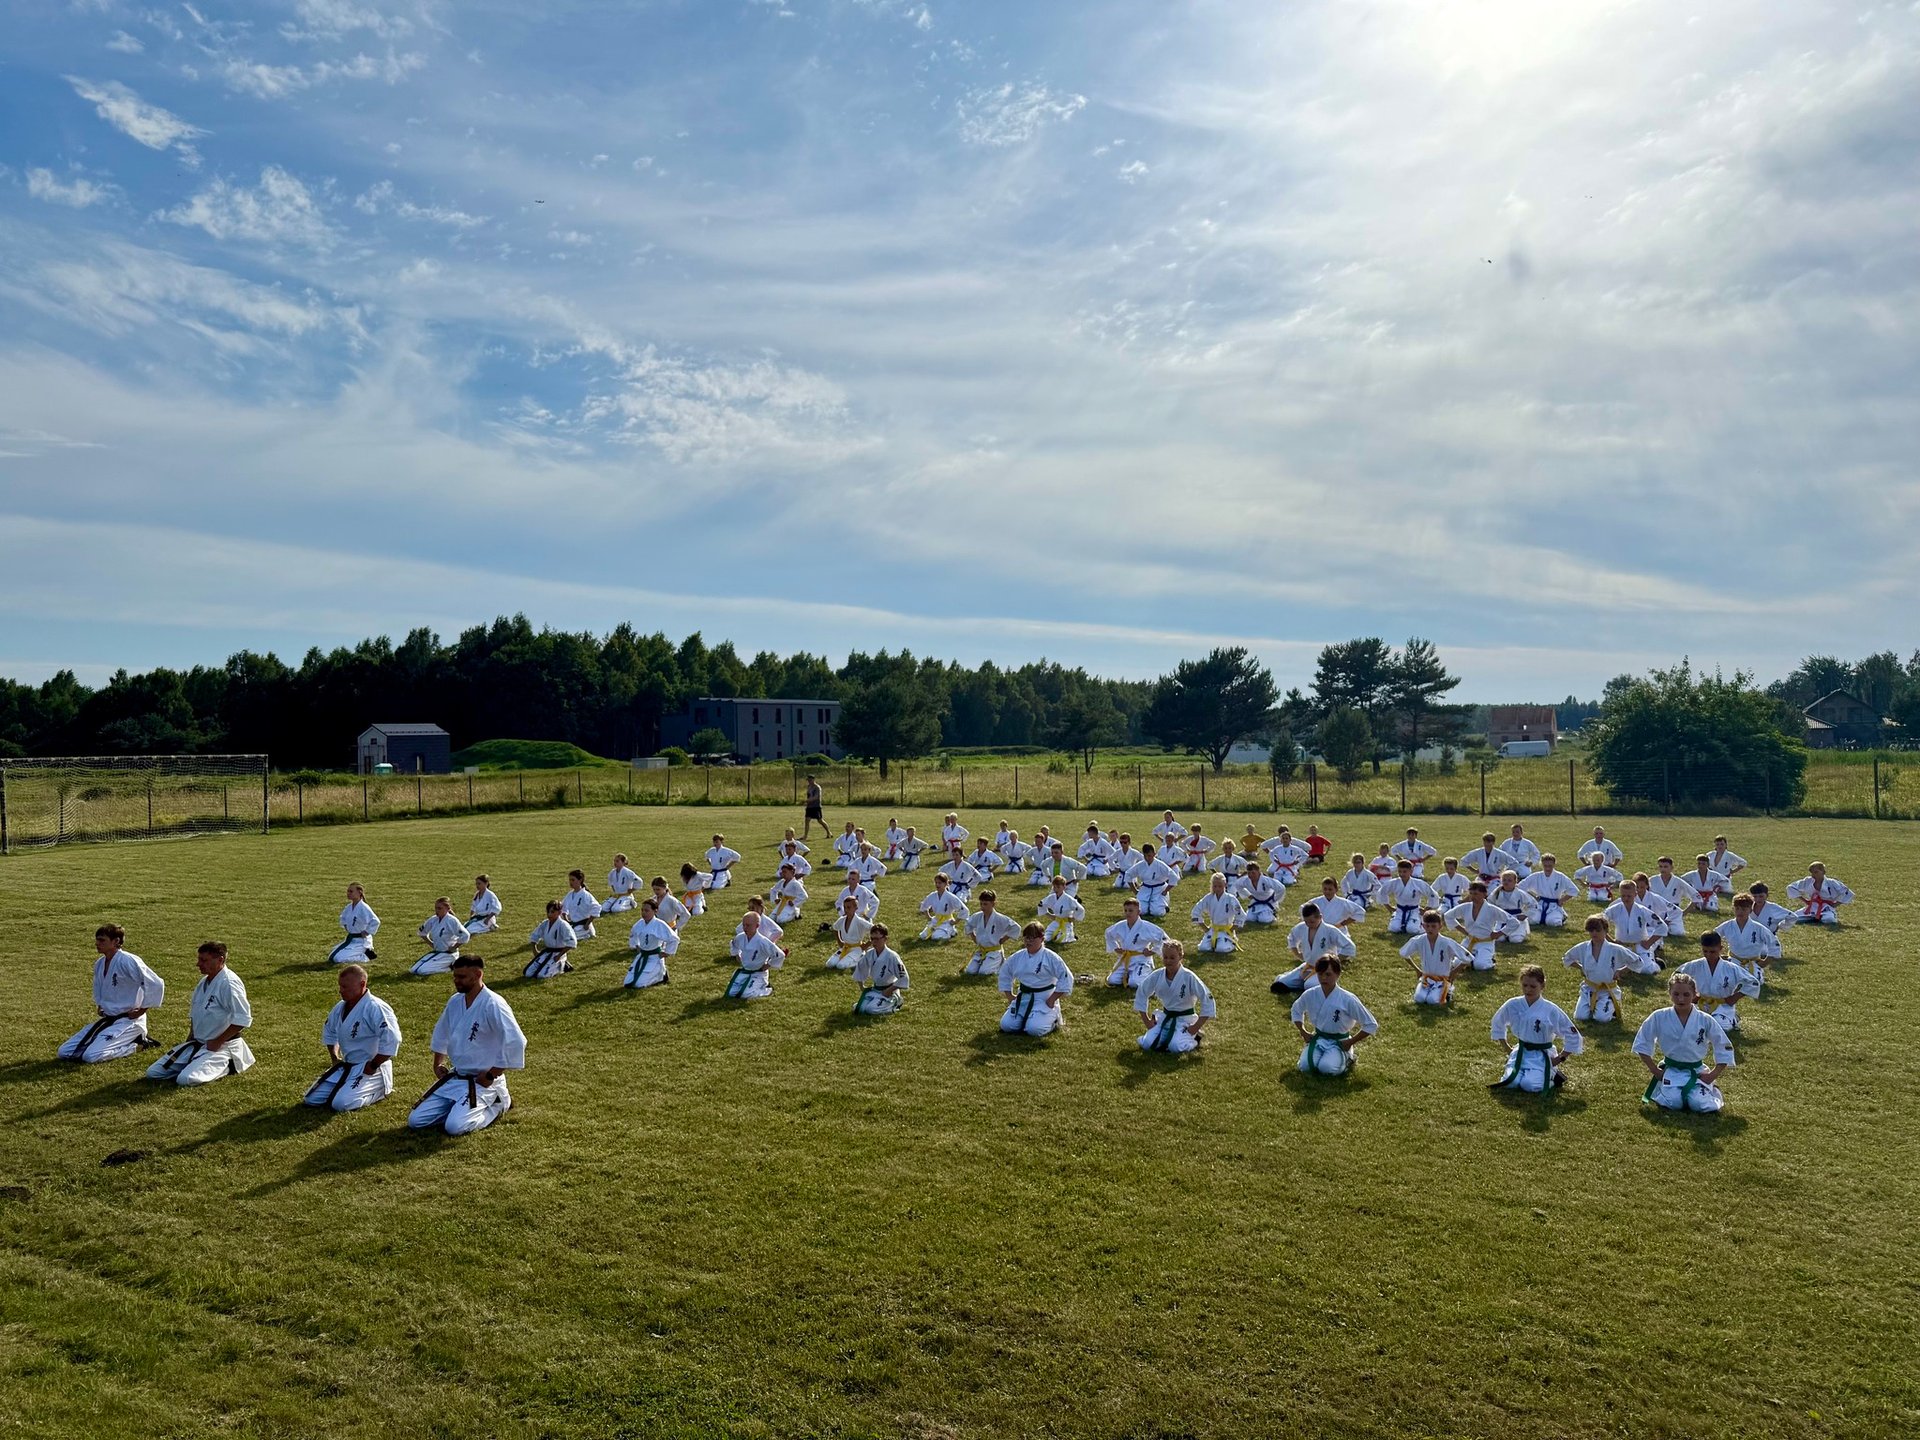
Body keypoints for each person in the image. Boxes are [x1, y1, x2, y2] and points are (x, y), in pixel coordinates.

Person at [409, 954, 526, 1134]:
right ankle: (461, 1109)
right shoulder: (455, 1001)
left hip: (484, 1082)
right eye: (455, 976)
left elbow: (516, 1041)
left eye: (461, 977)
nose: (456, 981)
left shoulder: (493, 1004)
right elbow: (442, 1032)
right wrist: (438, 1063)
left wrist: (491, 1075)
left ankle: (499, 1103)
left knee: (455, 1127)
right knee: (416, 1121)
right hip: (458, 1077)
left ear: (478, 975)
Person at [145, 941, 254, 1086]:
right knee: (154, 1073)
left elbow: (242, 1018)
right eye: (199, 959)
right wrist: (190, 1037)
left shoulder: (229, 983)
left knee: (186, 1079)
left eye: (204, 960)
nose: (198, 964)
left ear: (220, 960)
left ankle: (230, 1063)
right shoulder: (204, 982)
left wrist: (218, 1041)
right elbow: (196, 1013)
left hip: (222, 1046)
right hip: (199, 1042)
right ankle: (195, 1062)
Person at [302, 963, 402, 1111]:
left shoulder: (376, 1007)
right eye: (340, 986)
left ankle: (381, 1088)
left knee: (341, 1104)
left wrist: (374, 1065)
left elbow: (392, 1039)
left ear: (362, 984)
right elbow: (330, 1031)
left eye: (345, 987)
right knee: (311, 1099)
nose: (340, 991)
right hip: (347, 1065)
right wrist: (335, 1058)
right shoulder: (341, 1007)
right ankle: (349, 1087)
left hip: (370, 1068)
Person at [60, 923, 165, 1063]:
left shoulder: (128, 961)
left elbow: (155, 983)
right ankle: (109, 1042)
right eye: (97, 939)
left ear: (116, 941)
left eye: (102, 940)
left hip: (129, 1022)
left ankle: (138, 1044)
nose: (97, 943)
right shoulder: (100, 963)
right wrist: (101, 1005)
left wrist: (141, 1010)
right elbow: (101, 988)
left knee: (90, 1056)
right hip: (109, 1020)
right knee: (65, 1052)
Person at [1634, 973, 1735, 1112]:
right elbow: (1642, 1042)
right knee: (1673, 1103)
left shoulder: (1705, 1019)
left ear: (1695, 994)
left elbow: (1723, 1045)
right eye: (1676, 994)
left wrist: (1713, 1075)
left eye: (1686, 994)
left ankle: (1710, 1091)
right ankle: (1669, 1090)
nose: (1681, 999)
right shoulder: (1659, 1016)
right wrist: (1656, 1071)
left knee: (1700, 1105)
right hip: (1671, 1070)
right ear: (1669, 993)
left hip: (1696, 1071)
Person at [1487, 965, 1582, 1093]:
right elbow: (1498, 1023)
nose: (1528, 990)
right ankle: (1527, 1072)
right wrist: (1507, 1048)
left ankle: (1553, 1076)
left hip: (1542, 1055)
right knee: (1511, 1083)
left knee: (1530, 1085)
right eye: (1525, 985)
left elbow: (1572, 1034)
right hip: (1521, 1051)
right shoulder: (1513, 1004)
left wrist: (1560, 1058)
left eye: (1533, 986)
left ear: (1542, 986)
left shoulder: (1550, 1010)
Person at [1291, 956, 1378, 1076]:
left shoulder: (1347, 999)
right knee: (1305, 1067)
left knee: (1327, 1069)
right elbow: (1296, 1010)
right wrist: (1303, 1031)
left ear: (1337, 974)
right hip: (1319, 1038)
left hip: (1340, 1042)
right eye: (1320, 974)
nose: (1323, 978)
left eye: (1328, 974)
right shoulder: (1311, 994)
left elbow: (1371, 1024)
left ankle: (1348, 1059)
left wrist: (1350, 1042)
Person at [1135, 941, 1215, 1053]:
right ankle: (1173, 1037)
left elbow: (1207, 999)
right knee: (1147, 1044)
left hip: (1185, 1020)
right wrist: (1147, 1021)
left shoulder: (1188, 976)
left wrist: (1195, 1027)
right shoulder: (1157, 975)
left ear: (1181, 956)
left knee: (1175, 1047)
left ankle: (1196, 1037)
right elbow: (1142, 992)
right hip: (1165, 1018)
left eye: (1172, 957)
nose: (1168, 961)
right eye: (1165, 957)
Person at [997, 923, 1075, 1037]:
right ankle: (1027, 1020)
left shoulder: (1051, 957)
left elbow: (1066, 978)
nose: (1029, 941)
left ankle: (1054, 1019)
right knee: (1007, 1026)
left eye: (1033, 938)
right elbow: (1005, 973)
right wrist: (1010, 996)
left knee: (1034, 1030)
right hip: (1023, 996)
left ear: (1042, 939)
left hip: (1044, 998)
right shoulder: (1018, 956)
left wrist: (1052, 1000)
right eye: (1027, 937)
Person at [1561, 916, 1643, 1023]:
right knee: (1580, 1017)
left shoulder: (1615, 949)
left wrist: (1621, 971)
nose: (1594, 933)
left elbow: (1638, 961)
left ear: (1605, 931)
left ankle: (1612, 1005)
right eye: (1591, 930)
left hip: (1607, 990)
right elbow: (1566, 958)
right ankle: (1594, 1006)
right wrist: (1581, 967)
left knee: (1601, 1018)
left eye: (1598, 930)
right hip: (1589, 989)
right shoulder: (1583, 947)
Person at [1677, 931, 1761, 1031]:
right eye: (1705, 951)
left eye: (1712, 952)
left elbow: (1753, 983)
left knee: (1720, 1027)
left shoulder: (1731, 968)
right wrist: (1691, 994)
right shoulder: (1695, 965)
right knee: (1684, 1025)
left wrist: (1736, 997)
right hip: (1700, 1004)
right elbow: (1677, 977)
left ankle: (1733, 1018)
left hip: (1723, 1006)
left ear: (1720, 949)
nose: (1708, 955)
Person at [1271, 902, 1358, 993]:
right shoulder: (1302, 927)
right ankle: (1301, 981)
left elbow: (1350, 947)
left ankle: (1314, 983)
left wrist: (1333, 961)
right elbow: (1292, 938)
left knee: (1309, 985)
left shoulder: (1330, 930)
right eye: (1306, 921)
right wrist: (1298, 954)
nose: (1309, 924)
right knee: (1282, 982)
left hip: (1324, 969)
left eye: (1312, 922)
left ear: (1320, 917)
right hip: (1308, 965)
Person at [1445, 882, 1524, 970]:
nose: (1472, 896)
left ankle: (1488, 960)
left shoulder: (1491, 909)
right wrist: (1462, 929)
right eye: (1471, 893)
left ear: (1484, 894)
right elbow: (1448, 916)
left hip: (1485, 942)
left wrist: (1499, 933)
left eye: (1476, 894)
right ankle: (1472, 960)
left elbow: (1514, 922)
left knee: (1480, 965)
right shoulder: (1465, 907)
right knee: (1456, 964)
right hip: (1469, 940)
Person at [1401, 910, 1471, 1005]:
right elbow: (1403, 953)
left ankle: (1448, 991)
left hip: (1442, 979)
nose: (1430, 929)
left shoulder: (1447, 942)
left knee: (1432, 1001)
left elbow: (1468, 958)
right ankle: (1431, 991)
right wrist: (1417, 970)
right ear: (1423, 926)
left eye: (1433, 926)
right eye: (1427, 926)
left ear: (1440, 926)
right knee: (1419, 999)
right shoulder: (1419, 940)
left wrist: (1454, 972)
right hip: (1426, 978)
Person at [1714, 893, 1783, 984]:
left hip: (1752, 962)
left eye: (1744, 909)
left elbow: (1774, 944)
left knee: (1754, 982)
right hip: (1734, 960)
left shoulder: (1758, 928)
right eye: (1737, 908)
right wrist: (1717, 956)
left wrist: (1765, 962)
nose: (1740, 912)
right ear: (1733, 909)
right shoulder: (1728, 926)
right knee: (1727, 981)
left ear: (1750, 910)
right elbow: (1712, 938)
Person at [1105, 898, 1169, 988]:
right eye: (1125, 910)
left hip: (1141, 960)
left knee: (1134, 983)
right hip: (1125, 958)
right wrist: (1115, 948)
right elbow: (1108, 934)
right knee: (1112, 980)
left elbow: (1164, 939)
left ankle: (1147, 973)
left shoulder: (1146, 927)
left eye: (1131, 911)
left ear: (1138, 912)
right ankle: (1130, 975)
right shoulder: (1121, 925)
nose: (1127, 913)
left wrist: (1153, 951)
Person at [1603, 886, 1667, 973]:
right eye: (1623, 896)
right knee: (1610, 968)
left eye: (1629, 896)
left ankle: (1656, 963)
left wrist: (1649, 942)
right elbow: (1599, 923)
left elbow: (1662, 926)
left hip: (1640, 946)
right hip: (1621, 946)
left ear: (1635, 894)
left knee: (1646, 970)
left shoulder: (1642, 910)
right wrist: (1611, 941)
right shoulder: (1613, 909)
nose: (1626, 898)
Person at [725, 911, 786, 999]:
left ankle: (767, 989)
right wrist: (737, 956)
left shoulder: (763, 942)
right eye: (744, 925)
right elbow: (733, 944)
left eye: (748, 925)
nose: (745, 928)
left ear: (757, 926)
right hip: (745, 971)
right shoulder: (740, 937)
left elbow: (779, 955)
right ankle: (753, 986)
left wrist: (767, 965)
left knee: (746, 994)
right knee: (732, 993)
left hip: (759, 974)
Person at [852, 923, 910, 1015]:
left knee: (871, 1009)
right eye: (872, 939)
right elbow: (860, 967)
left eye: (877, 939)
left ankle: (895, 1003)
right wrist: (862, 987)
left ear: (885, 939)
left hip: (889, 992)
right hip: (876, 990)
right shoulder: (870, 954)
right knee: (858, 1008)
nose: (874, 942)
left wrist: (889, 990)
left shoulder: (892, 957)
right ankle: (879, 1002)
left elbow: (904, 978)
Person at [624, 897, 680, 987]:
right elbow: (633, 934)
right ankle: (657, 973)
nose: (643, 913)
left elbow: (674, 939)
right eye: (642, 910)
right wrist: (636, 946)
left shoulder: (659, 924)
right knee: (627, 983)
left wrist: (667, 952)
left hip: (655, 957)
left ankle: (661, 974)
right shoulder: (640, 923)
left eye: (647, 911)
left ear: (655, 911)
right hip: (642, 956)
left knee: (640, 984)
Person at [964, 890, 1022, 975]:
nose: (982, 907)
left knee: (984, 972)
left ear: (993, 904)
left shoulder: (1000, 918)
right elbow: (968, 924)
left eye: (985, 904)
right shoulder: (977, 916)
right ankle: (984, 963)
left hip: (994, 952)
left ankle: (1000, 965)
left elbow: (1016, 927)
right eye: (981, 904)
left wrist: (1004, 939)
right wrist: (973, 936)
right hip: (981, 950)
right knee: (970, 971)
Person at [411, 897, 472, 976]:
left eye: (439, 908)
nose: (437, 911)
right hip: (437, 952)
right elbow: (422, 932)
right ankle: (449, 966)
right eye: (436, 908)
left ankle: (451, 966)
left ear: (447, 908)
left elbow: (465, 935)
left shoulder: (451, 920)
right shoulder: (433, 919)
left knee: (422, 971)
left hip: (448, 954)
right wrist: (431, 943)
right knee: (413, 970)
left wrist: (454, 947)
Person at [1517, 854, 1579, 930]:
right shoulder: (1536, 876)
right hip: (1539, 904)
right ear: (1542, 864)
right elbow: (1520, 886)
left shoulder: (1560, 876)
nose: (1547, 868)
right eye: (1545, 865)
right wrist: (1533, 896)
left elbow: (1574, 890)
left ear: (1554, 864)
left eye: (1550, 866)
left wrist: (1562, 900)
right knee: (1533, 920)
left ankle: (1561, 915)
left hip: (1554, 905)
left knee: (1553, 922)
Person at [1190, 873, 1244, 954]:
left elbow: (1241, 915)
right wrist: (1205, 928)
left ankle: (1232, 943)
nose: (1217, 889)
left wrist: (1232, 929)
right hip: (1213, 929)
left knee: (1221, 949)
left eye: (1220, 886)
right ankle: (1215, 942)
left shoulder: (1231, 898)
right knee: (1203, 948)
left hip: (1226, 929)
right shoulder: (1209, 898)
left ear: (1225, 885)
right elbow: (1196, 911)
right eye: (1215, 886)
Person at [1787, 863, 1854, 925]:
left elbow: (1847, 892)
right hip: (1812, 907)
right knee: (1792, 918)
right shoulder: (1808, 881)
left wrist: (1835, 904)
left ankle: (1817, 918)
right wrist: (1806, 901)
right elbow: (1791, 887)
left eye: (1816, 872)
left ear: (1823, 872)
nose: (1813, 875)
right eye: (1812, 873)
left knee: (1829, 920)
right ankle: (1813, 918)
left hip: (1826, 907)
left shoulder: (1831, 882)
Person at [526, 902, 579, 980]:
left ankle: (562, 966)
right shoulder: (545, 923)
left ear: (559, 912)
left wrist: (559, 956)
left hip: (558, 954)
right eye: (548, 912)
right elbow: (534, 936)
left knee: (542, 975)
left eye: (552, 912)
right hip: (547, 952)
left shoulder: (563, 925)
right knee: (528, 973)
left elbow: (572, 942)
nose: (549, 914)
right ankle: (559, 965)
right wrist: (535, 950)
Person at [330, 883, 380, 965]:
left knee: (338, 959)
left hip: (361, 941)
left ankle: (366, 956)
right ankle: (363, 953)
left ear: (359, 892)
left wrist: (367, 931)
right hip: (351, 939)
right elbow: (343, 917)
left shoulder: (364, 907)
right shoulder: (349, 907)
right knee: (332, 956)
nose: (348, 893)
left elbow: (376, 921)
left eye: (351, 891)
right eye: (347, 891)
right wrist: (346, 925)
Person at [1129, 842, 1180, 918]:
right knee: (1140, 911)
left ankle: (1165, 907)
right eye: (1145, 856)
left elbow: (1173, 877)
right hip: (1145, 888)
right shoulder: (1141, 865)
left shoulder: (1160, 865)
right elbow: (1128, 874)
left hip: (1159, 889)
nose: (1147, 858)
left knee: (1156, 912)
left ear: (1154, 854)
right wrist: (1134, 890)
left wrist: (1166, 890)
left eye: (1149, 855)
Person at [917, 874, 967, 942]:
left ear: (946, 883)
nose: (937, 885)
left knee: (936, 937)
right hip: (936, 920)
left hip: (947, 921)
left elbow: (963, 910)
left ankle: (951, 930)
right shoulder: (933, 895)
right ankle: (945, 931)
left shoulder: (950, 897)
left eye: (940, 883)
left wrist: (955, 922)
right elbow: (924, 905)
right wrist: (929, 917)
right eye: (936, 883)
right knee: (923, 936)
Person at [828, 895, 874, 968]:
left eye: (849, 907)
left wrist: (867, 945)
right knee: (830, 964)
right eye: (845, 907)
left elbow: (875, 930)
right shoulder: (842, 920)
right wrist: (839, 941)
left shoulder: (860, 921)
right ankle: (850, 959)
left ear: (856, 908)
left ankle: (861, 957)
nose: (846, 910)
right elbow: (835, 928)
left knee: (840, 966)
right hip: (845, 947)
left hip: (857, 948)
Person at [1039, 874, 1086, 945]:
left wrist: (1073, 918)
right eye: (1054, 887)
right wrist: (1048, 914)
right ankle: (1056, 935)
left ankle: (1071, 935)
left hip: (1066, 923)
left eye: (1058, 887)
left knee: (1061, 939)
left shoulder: (1069, 899)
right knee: (1045, 938)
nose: (1056, 889)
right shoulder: (1051, 897)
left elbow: (1080, 909)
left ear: (1064, 887)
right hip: (1056, 921)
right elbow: (1041, 904)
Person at [1487, 870, 1533, 942]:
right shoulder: (1497, 892)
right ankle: (1503, 934)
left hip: (1517, 919)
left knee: (1515, 939)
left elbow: (1533, 905)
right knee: (1499, 939)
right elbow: (1489, 903)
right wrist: (1495, 914)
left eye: (1509, 880)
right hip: (1502, 918)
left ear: (1515, 882)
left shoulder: (1520, 893)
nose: (1506, 882)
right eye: (1504, 880)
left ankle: (1519, 933)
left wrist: (1525, 915)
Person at [561, 870, 602, 940]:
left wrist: (588, 923)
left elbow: (597, 907)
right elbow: (563, 907)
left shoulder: (586, 895)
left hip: (584, 926)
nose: (570, 882)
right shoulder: (570, 894)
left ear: (580, 880)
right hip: (574, 924)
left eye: (573, 880)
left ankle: (588, 934)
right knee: (560, 934)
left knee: (568, 938)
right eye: (570, 880)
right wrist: (566, 920)